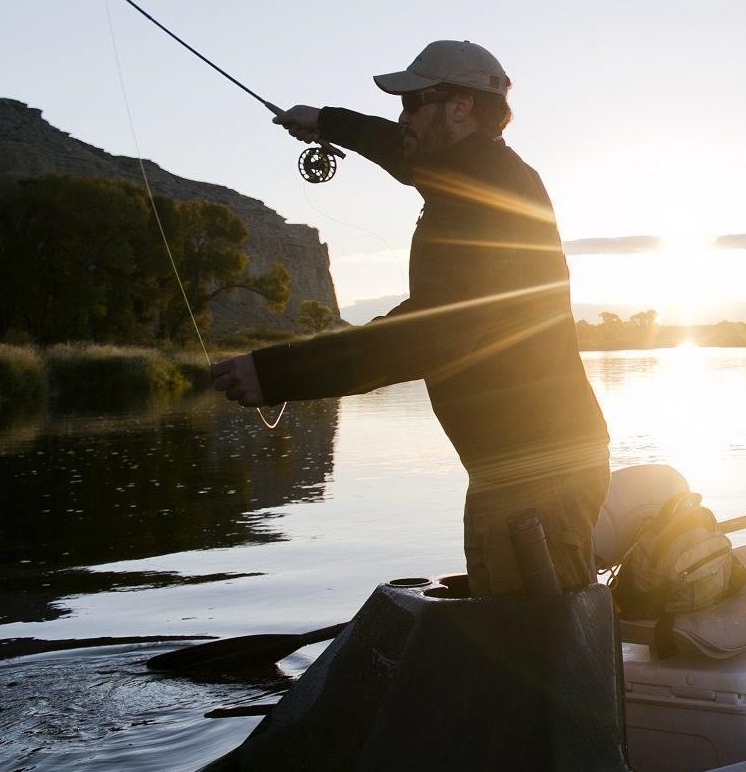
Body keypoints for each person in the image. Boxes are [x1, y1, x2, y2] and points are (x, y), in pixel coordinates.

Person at [207, 40, 609, 596]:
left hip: (535, 478)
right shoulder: (473, 171)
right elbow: (400, 149)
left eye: (414, 104)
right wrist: (327, 122)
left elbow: (431, 333)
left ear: (460, 107)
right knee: (521, 633)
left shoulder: (489, 191)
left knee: (538, 647)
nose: (404, 118)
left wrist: (277, 374)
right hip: (525, 465)